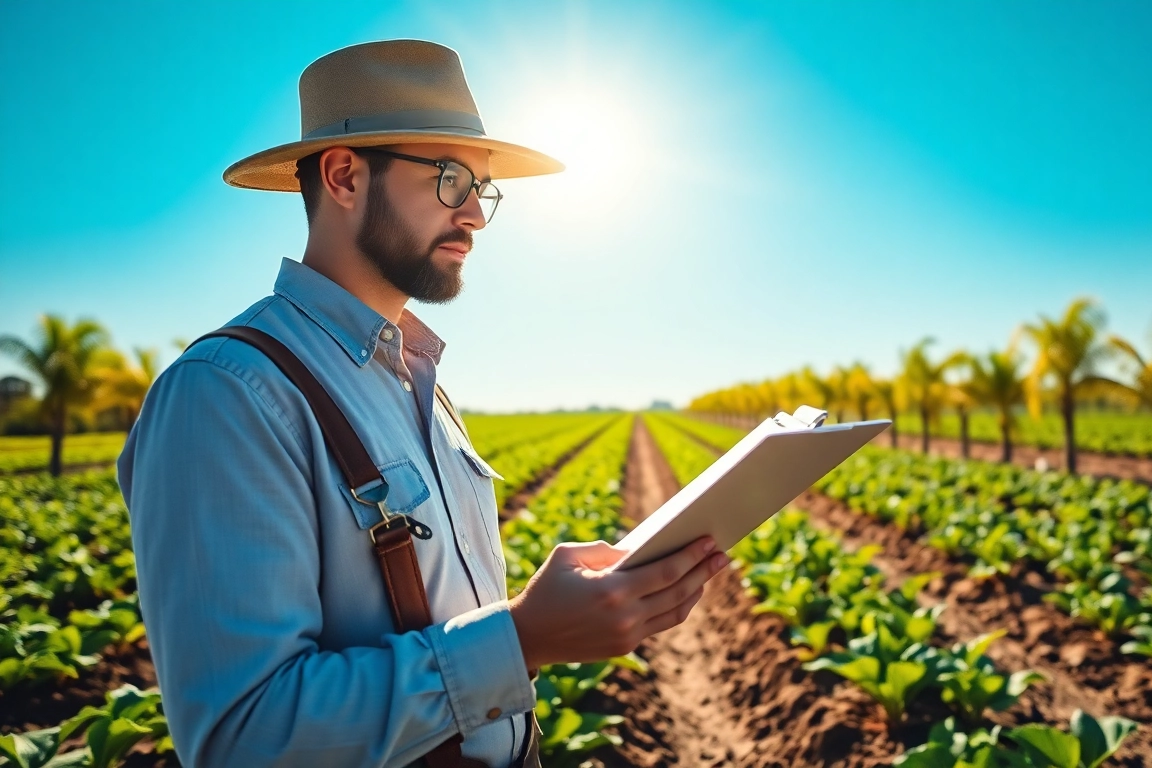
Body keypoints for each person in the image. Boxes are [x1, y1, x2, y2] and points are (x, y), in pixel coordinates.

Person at [116, 39, 727, 768]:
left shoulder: (421, 380)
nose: (475, 214)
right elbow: (241, 737)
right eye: (449, 179)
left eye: (483, 188)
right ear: (343, 176)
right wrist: (526, 638)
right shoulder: (226, 393)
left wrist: (542, 628)